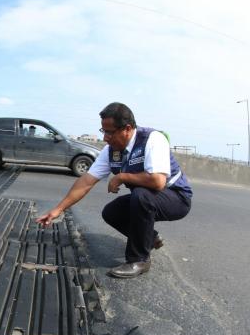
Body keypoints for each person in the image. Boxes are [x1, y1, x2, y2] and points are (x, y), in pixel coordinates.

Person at [36, 102, 192, 278]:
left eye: (110, 132)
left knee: (141, 196)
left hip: (177, 197)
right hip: (149, 196)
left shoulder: (152, 139)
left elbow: (157, 182)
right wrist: (58, 209)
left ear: (127, 128)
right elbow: (86, 181)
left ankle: (139, 259)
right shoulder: (111, 151)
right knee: (112, 212)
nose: (105, 138)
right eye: (104, 131)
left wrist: (122, 177)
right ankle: (149, 238)